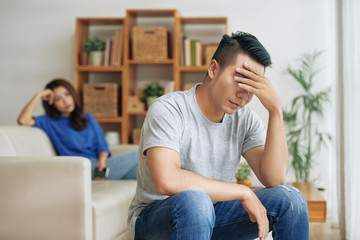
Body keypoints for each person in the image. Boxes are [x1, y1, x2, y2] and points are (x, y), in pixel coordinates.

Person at [128, 31, 309, 240]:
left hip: (213, 215)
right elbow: (167, 180)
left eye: (252, 87)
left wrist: (275, 110)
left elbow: (274, 179)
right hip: (155, 219)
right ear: (214, 69)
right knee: (196, 202)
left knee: (290, 199)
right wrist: (243, 192)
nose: (244, 95)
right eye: (240, 79)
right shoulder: (168, 109)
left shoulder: (244, 119)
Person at [17, 78, 138, 180]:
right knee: (143, 153)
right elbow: (23, 120)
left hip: (100, 166)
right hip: (80, 169)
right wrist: (38, 95)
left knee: (144, 171)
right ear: (52, 103)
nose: (66, 101)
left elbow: (102, 146)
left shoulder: (87, 118)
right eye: (58, 99)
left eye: (67, 94)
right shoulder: (48, 122)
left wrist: (102, 162)